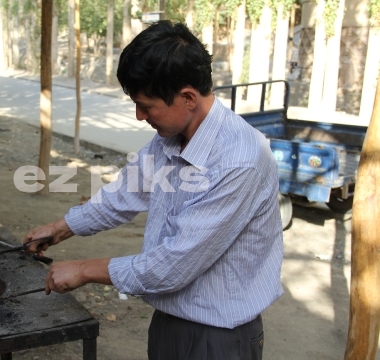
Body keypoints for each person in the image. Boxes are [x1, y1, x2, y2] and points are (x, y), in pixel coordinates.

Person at [24, 20, 283, 360]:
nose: (138, 115)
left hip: (219, 337)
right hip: (169, 320)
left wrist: (84, 270)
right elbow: (124, 194)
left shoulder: (239, 161)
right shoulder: (170, 140)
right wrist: (60, 229)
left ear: (187, 97)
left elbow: (173, 266)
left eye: (146, 106)